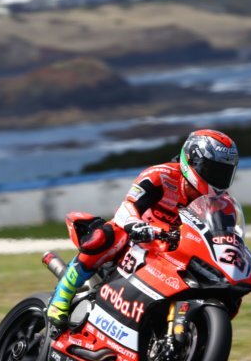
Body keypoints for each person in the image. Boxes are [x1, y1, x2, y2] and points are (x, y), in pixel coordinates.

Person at [47, 129, 240, 329]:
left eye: (224, 172)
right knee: (107, 236)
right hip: (139, 237)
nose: (218, 178)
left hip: (175, 249)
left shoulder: (223, 204)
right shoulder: (161, 175)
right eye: (213, 170)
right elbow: (128, 206)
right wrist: (134, 224)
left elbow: (223, 239)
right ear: (191, 161)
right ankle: (61, 298)